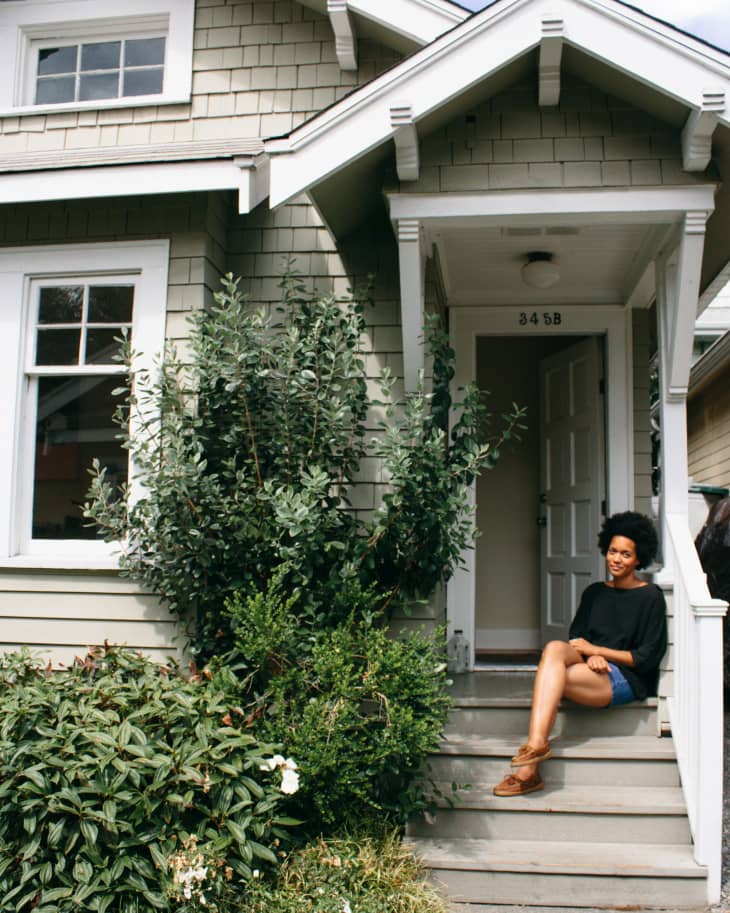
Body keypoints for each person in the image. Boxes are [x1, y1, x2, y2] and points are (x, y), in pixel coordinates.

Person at [493, 511, 667, 797]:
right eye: (612, 551)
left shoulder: (650, 597)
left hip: (625, 678)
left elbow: (645, 658)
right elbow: (576, 639)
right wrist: (590, 656)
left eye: (625, 554)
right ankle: (537, 745)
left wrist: (599, 652)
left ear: (639, 559)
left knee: (556, 675)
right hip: (590, 667)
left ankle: (529, 771)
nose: (616, 559)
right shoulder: (594, 592)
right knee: (553, 650)